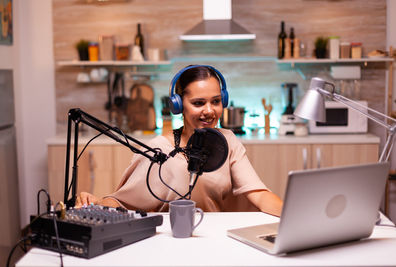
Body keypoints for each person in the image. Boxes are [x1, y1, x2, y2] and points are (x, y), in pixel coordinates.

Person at [76, 65, 283, 217]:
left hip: (215, 240)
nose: (210, 111)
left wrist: (294, 215)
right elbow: (123, 201)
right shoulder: (159, 148)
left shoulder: (228, 141)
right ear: (178, 105)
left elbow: (259, 194)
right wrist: (96, 203)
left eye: (216, 101)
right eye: (198, 103)